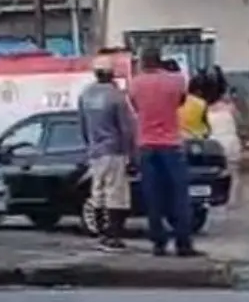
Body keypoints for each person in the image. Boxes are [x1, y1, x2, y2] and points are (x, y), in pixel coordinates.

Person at [128, 46, 198, 256]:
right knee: (179, 195)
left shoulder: (135, 84)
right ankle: (183, 242)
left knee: (153, 196)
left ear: (142, 62)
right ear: (160, 61)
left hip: (147, 145)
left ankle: (158, 243)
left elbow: (135, 106)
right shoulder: (176, 81)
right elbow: (181, 102)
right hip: (171, 144)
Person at [78, 57, 139, 251]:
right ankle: (113, 236)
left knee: (98, 193)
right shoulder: (116, 96)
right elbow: (126, 128)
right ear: (111, 73)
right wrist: (131, 154)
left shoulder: (85, 95)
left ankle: (101, 234)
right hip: (114, 150)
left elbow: (82, 126)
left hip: (95, 152)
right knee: (116, 194)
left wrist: (90, 146)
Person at [178, 75, 211, 140]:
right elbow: (208, 125)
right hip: (196, 139)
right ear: (199, 92)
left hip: (179, 137)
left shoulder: (179, 99)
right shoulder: (202, 103)